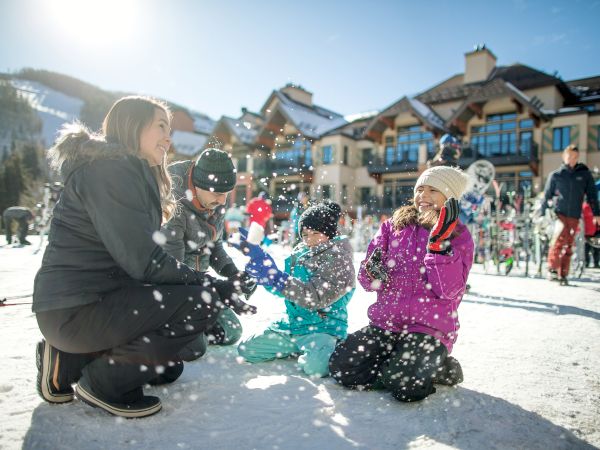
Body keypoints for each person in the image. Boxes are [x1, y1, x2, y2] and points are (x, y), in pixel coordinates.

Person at [33, 96, 253, 418]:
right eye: (161, 126)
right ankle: (102, 384)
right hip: (76, 309)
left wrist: (220, 280)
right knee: (200, 303)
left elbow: (143, 263)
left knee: (168, 370)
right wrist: (210, 286)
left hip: (95, 302)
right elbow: (146, 263)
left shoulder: (130, 172)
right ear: (133, 126)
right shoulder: (110, 172)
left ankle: (68, 361)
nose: (169, 137)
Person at [329, 166, 474, 403]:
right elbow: (368, 281)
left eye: (433, 190)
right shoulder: (394, 226)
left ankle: (436, 367)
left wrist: (438, 248)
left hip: (429, 329)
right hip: (387, 323)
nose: (423, 196)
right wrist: (373, 271)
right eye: (420, 189)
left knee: (405, 385)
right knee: (343, 366)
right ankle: (399, 366)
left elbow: (449, 291)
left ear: (450, 198)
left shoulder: (458, 235)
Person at [236, 200, 355, 377]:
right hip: (294, 324)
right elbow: (286, 290)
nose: (310, 239)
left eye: (316, 233)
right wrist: (269, 277)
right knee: (247, 350)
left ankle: (332, 346)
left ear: (329, 233)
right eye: (305, 234)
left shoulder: (339, 259)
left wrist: (279, 279)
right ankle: (300, 347)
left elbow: (314, 297)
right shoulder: (299, 254)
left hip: (323, 327)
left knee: (316, 369)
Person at [161, 148, 257, 360]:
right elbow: (173, 270)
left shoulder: (215, 202)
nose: (223, 201)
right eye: (217, 194)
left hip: (200, 284)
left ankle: (192, 326)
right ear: (198, 186)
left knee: (231, 331)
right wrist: (218, 289)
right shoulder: (172, 203)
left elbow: (214, 247)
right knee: (194, 349)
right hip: (171, 290)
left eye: (226, 194)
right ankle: (169, 329)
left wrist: (233, 274)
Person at [541, 145, 600, 285]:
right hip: (558, 214)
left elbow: (592, 195)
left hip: (574, 214)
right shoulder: (556, 175)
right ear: (564, 157)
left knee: (569, 244)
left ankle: (563, 274)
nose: (572, 159)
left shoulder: (584, 174)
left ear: (577, 157)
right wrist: (543, 214)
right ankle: (552, 269)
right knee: (558, 240)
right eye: (569, 156)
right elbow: (546, 196)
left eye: (574, 157)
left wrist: (596, 213)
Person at [582, 201, 600, 268]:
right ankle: (587, 263)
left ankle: (596, 263)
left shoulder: (597, 207)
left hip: (596, 231)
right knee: (586, 248)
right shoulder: (585, 207)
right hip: (587, 232)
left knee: (596, 249)